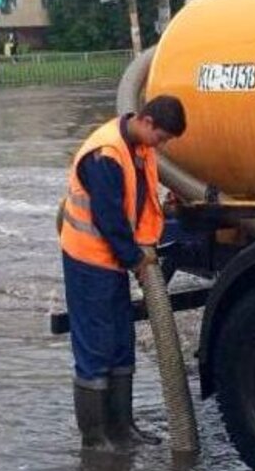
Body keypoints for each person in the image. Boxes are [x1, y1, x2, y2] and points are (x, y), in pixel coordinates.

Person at [59, 95, 187, 450]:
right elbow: (109, 217)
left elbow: (142, 202)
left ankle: (123, 428)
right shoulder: (106, 154)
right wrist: (135, 259)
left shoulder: (139, 148)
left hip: (112, 259)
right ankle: (96, 438)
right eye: (161, 137)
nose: (161, 145)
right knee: (95, 347)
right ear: (146, 122)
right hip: (88, 260)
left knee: (120, 342)